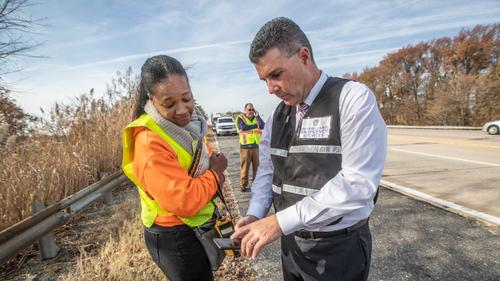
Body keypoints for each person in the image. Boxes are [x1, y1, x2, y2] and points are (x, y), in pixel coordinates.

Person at [231, 17, 387, 281]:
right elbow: (268, 171)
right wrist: (255, 213)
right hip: (291, 244)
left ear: (304, 56)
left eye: (276, 75)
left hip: (338, 250)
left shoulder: (352, 98)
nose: (270, 89)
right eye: (264, 80)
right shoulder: (277, 116)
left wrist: (279, 222)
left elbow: (358, 184)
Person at [121, 55, 227, 281]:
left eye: (187, 98)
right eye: (169, 104)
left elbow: (199, 157)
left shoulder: (191, 125)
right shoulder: (150, 141)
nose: (182, 110)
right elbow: (184, 201)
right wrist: (216, 174)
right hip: (176, 235)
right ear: (151, 99)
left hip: (197, 225)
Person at [235, 103, 265, 192]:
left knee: (257, 167)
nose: (251, 111)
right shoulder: (240, 118)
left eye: (252, 110)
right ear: (245, 110)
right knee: (245, 167)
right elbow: (243, 127)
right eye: (249, 109)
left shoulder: (256, 118)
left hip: (256, 146)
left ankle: (256, 185)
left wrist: (258, 116)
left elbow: (263, 125)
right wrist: (256, 125)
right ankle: (243, 185)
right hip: (245, 147)